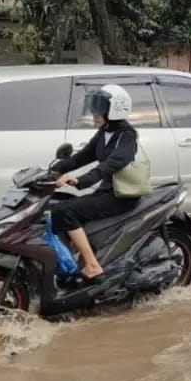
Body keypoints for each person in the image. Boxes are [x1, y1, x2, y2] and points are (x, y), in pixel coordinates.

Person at [50, 84, 141, 283]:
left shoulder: (127, 136)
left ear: (115, 110)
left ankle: (92, 265)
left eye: (99, 108)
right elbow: (81, 157)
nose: (94, 113)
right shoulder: (104, 132)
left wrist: (81, 180)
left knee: (66, 212)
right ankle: (71, 263)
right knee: (54, 209)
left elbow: (111, 165)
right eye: (94, 107)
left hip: (121, 196)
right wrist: (53, 171)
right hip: (105, 192)